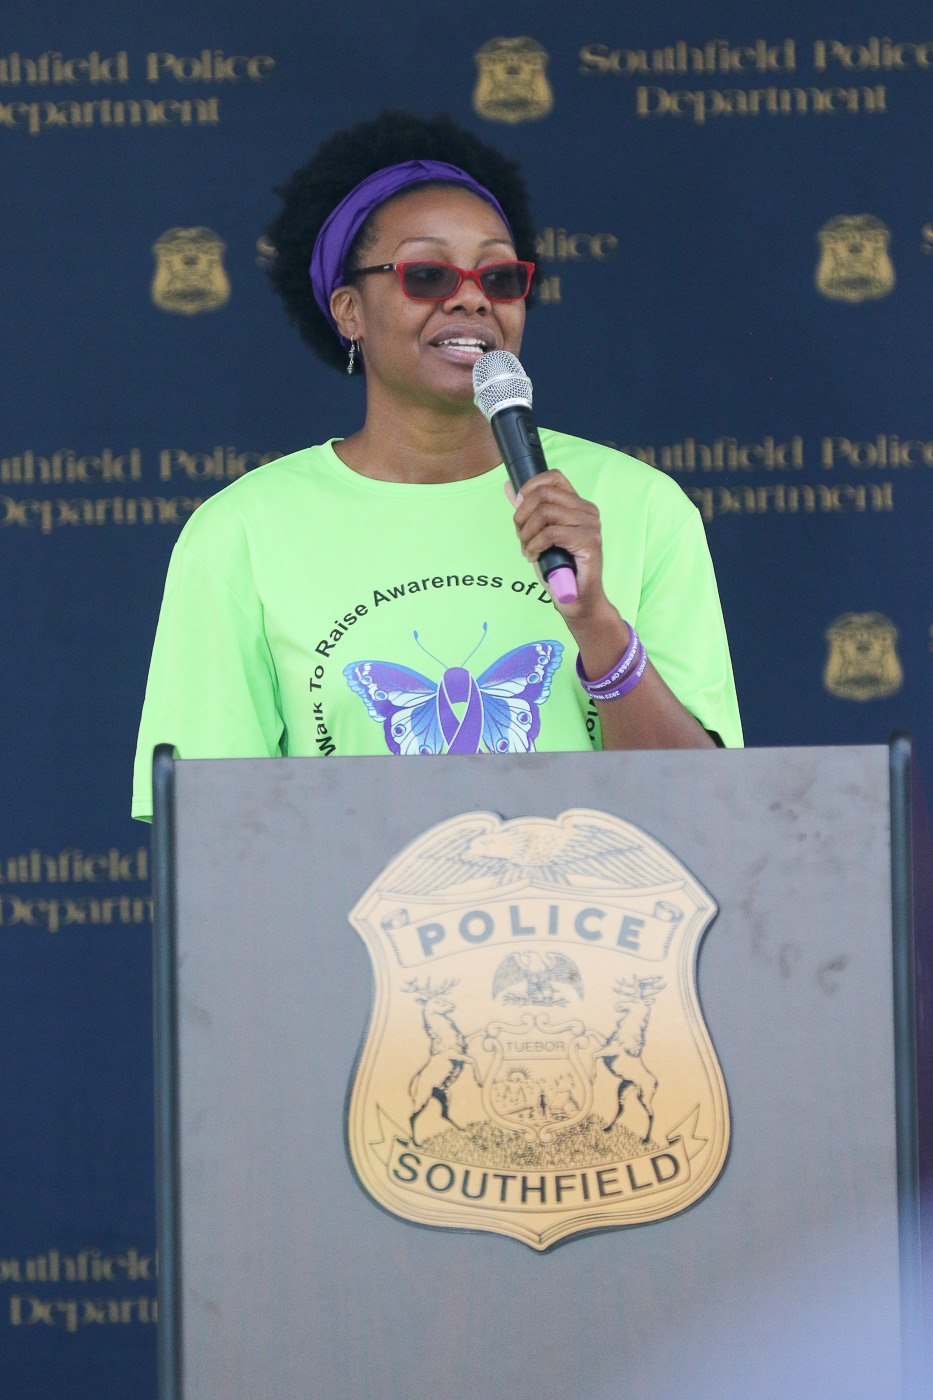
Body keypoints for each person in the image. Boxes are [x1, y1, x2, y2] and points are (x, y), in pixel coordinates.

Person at [132, 110, 742, 822]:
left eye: (499, 276)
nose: (472, 297)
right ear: (348, 311)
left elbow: (704, 815)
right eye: (427, 274)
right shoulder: (240, 533)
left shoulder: (639, 505)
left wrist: (596, 623)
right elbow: (212, 835)